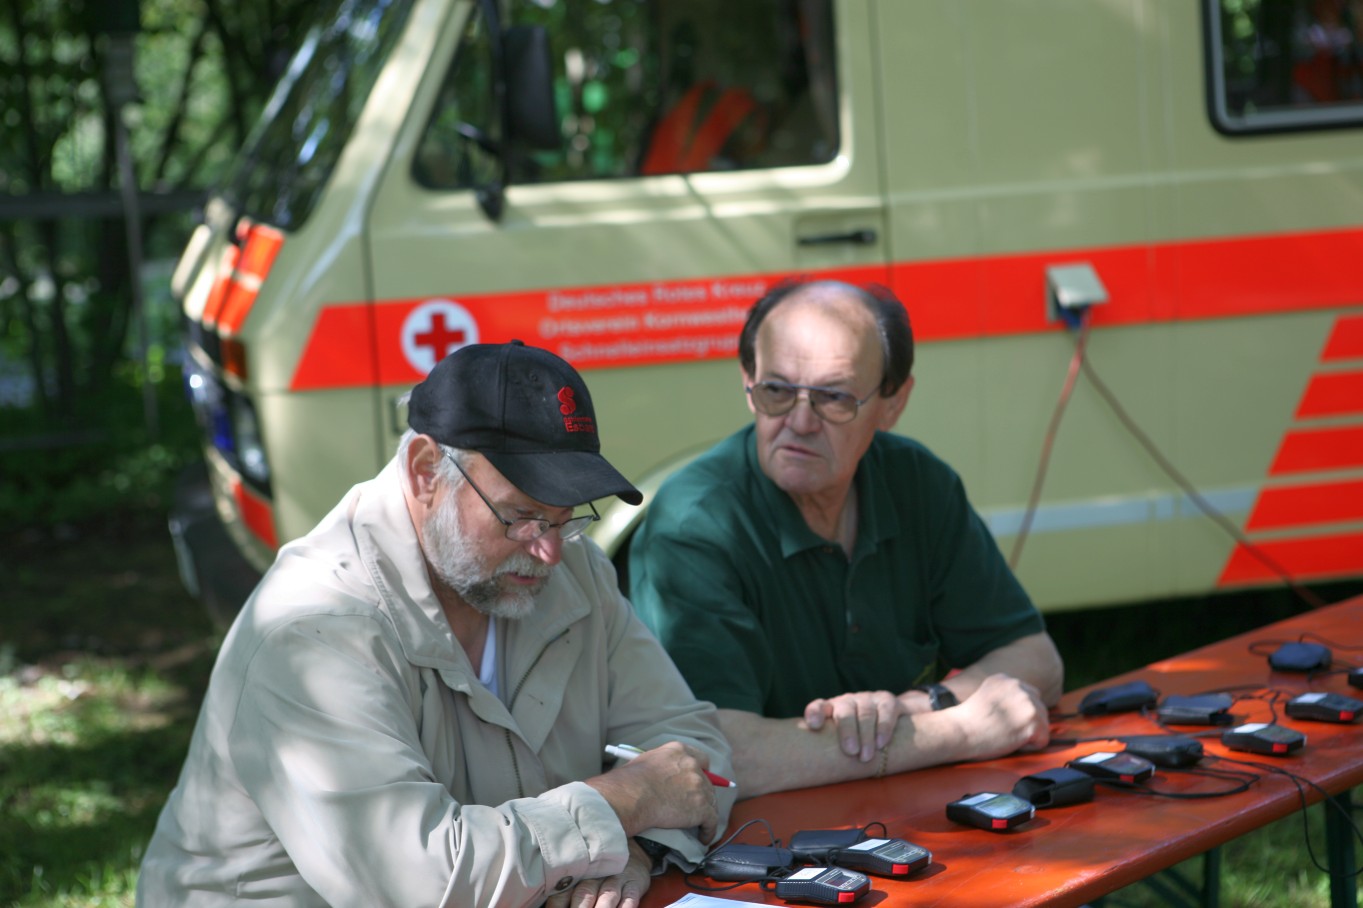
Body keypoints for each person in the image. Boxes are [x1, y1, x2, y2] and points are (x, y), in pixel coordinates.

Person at [137, 341, 735, 908]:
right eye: (521, 515)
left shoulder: (570, 569)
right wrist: (622, 802)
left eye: (566, 518)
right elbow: (421, 884)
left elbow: (690, 751)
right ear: (426, 471)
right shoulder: (314, 630)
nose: (550, 550)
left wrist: (637, 846)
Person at [628, 278, 1064, 797]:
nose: (800, 422)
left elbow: (1037, 659)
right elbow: (717, 754)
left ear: (893, 403)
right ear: (748, 382)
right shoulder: (693, 525)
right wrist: (958, 732)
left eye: (833, 397)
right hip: (757, 834)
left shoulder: (918, 482)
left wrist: (909, 707)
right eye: (776, 391)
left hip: (906, 810)